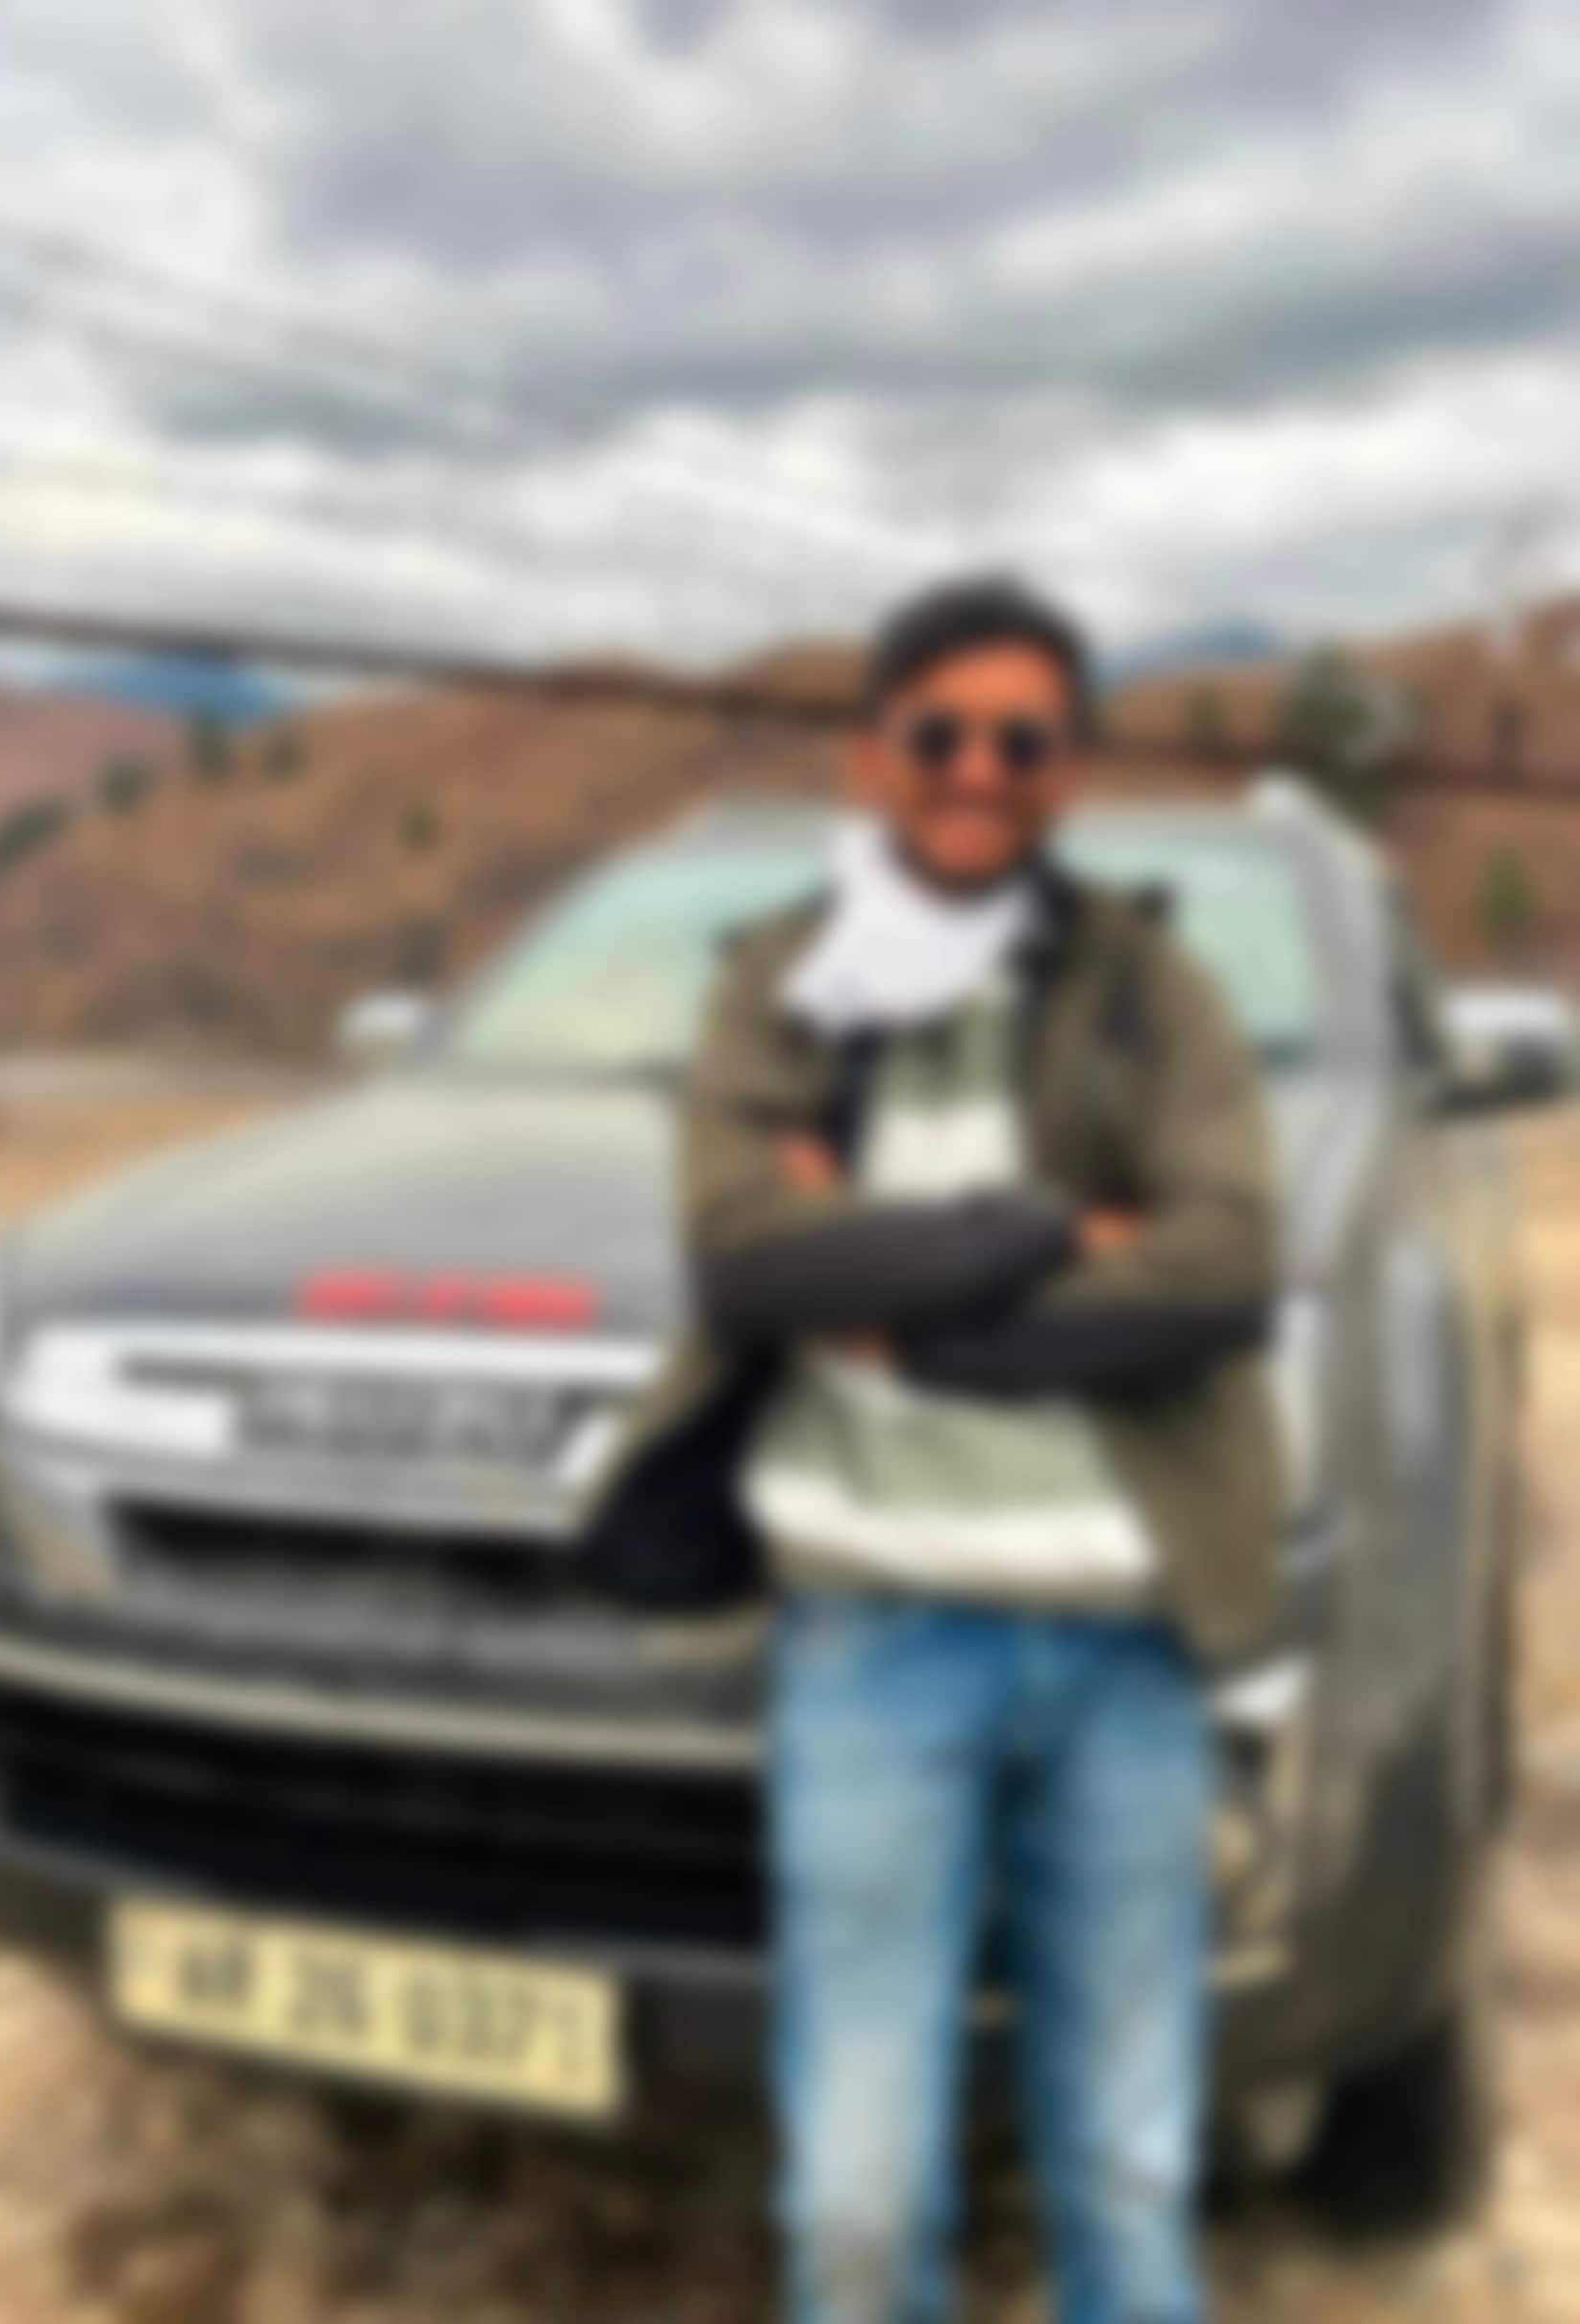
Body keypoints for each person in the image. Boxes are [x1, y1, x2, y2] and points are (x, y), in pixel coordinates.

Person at [587, 575, 1283, 2323]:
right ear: (872, 750)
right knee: (857, 2201)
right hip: (874, 1643)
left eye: (1022, 739)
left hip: (1128, 1647)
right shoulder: (780, 981)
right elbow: (748, 1259)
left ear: (1068, 769)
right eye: (942, 732)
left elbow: (1224, 1269)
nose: (980, 767)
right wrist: (1057, 1230)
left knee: (1128, 2181)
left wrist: (909, 1312)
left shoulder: (1152, 987)